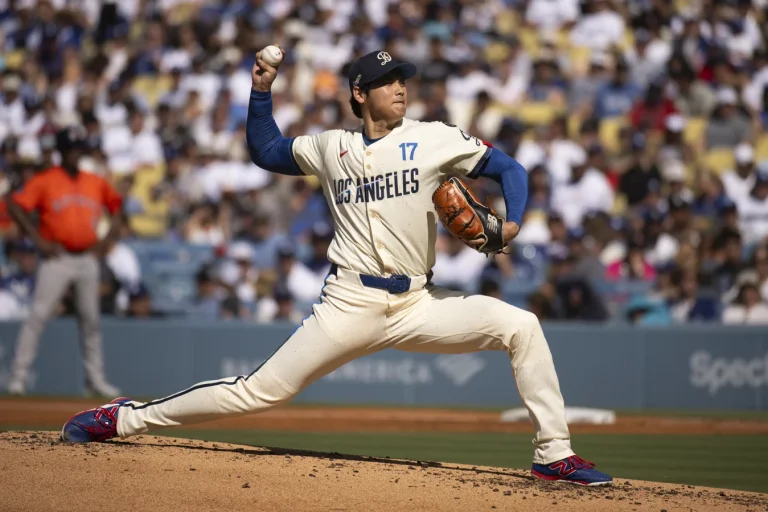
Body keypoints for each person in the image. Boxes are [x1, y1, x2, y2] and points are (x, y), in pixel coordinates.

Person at [61, 48, 612, 486]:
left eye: (404, 79)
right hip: (349, 303)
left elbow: (509, 168)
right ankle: (125, 417)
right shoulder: (332, 147)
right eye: (389, 80)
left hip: (419, 303)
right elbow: (266, 150)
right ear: (359, 93)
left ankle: (552, 455)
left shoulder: (433, 137)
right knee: (257, 392)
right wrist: (259, 90)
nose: (401, 87)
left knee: (521, 326)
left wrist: (511, 224)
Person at [6, 126, 124, 397]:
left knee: (90, 320)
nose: (75, 154)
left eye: (78, 149)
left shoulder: (94, 181)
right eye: (70, 149)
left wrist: (106, 241)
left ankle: (95, 380)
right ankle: (18, 378)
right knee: (37, 316)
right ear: (60, 151)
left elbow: (117, 205)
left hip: (86, 258)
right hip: (56, 258)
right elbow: (14, 204)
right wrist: (37, 240)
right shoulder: (46, 180)